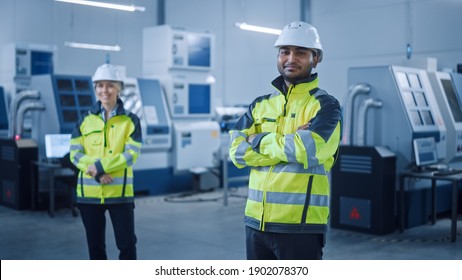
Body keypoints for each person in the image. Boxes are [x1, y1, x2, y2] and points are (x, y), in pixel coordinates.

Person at [228, 21, 341, 260]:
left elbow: (306, 150)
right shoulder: (260, 104)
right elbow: (236, 152)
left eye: (300, 52)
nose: (291, 58)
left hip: (300, 225)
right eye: (285, 51)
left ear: (316, 58)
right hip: (256, 222)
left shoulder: (325, 106)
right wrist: (286, 143)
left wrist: (258, 138)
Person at [69, 63, 142, 260]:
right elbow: (75, 153)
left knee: (127, 246)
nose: (104, 90)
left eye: (110, 85)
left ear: (119, 88)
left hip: (119, 195)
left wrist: (100, 166)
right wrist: (96, 172)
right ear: (95, 89)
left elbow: (131, 154)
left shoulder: (131, 121)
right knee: (96, 249)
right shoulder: (84, 120)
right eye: (100, 85)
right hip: (89, 195)